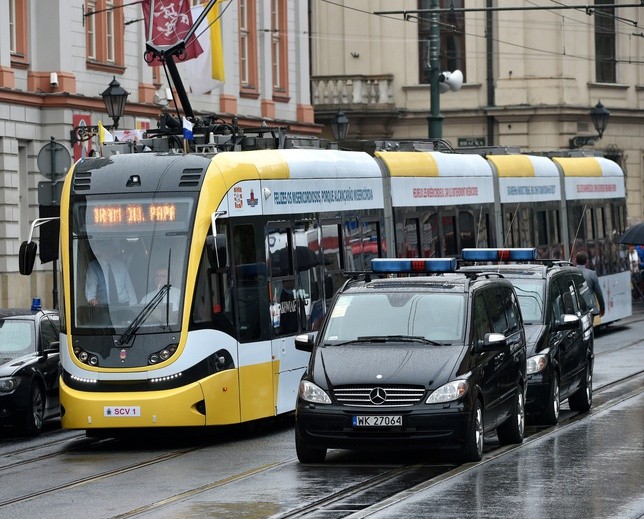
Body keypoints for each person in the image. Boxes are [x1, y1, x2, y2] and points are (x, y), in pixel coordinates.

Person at [85, 240, 137, 306]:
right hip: (104, 307)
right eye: (106, 250)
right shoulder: (94, 266)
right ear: (101, 251)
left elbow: (129, 288)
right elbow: (91, 291)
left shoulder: (121, 265)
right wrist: (92, 300)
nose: (108, 253)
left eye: (110, 250)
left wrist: (134, 306)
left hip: (123, 305)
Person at [576, 251, 605, 316]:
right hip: (589, 308)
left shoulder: (570, 273)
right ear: (587, 261)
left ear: (576, 260)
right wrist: (602, 309)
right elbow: (599, 293)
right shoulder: (592, 274)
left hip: (576, 309)